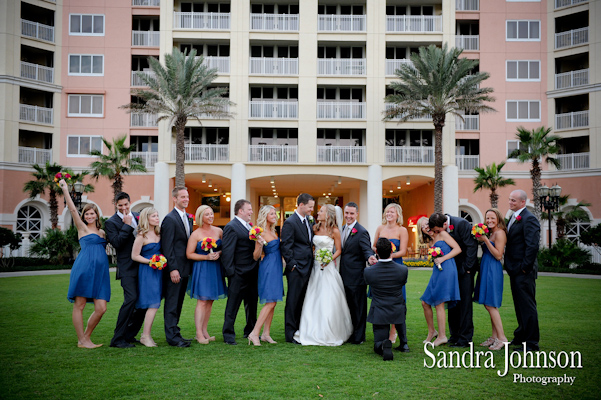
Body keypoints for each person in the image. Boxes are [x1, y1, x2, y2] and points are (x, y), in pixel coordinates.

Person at [293, 204, 353, 346]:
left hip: (328, 267)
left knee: (328, 298)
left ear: (328, 215)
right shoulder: (315, 228)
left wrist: (328, 259)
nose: (317, 213)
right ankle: (311, 328)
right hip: (314, 267)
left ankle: (329, 330)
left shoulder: (335, 231)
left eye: (321, 211)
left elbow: (338, 250)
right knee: (313, 297)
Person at [60, 179, 109, 349]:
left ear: (97, 215)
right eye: (86, 214)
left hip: (101, 272)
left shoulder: (102, 232)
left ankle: (86, 337)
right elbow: (73, 209)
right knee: (79, 305)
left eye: (92, 213)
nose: (89, 216)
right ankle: (81, 340)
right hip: (84, 269)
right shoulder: (82, 228)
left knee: (101, 308)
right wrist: (66, 190)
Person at [428, 212, 478, 348]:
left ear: (445, 224)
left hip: (464, 270)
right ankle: (454, 335)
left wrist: (467, 268)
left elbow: (471, 246)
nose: (437, 233)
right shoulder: (440, 227)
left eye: (438, 230)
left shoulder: (461, 224)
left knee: (465, 303)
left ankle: (465, 338)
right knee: (452, 303)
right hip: (450, 271)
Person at [105, 192, 144, 349]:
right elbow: (117, 244)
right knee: (131, 299)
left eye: (126, 204)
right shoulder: (111, 222)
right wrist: (127, 225)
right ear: (116, 205)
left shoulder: (137, 216)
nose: (124, 207)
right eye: (120, 205)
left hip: (142, 265)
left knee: (142, 302)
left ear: (130, 202)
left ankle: (130, 334)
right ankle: (118, 338)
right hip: (126, 267)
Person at [505, 189, 541, 351]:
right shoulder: (513, 218)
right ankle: (521, 336)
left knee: (527, 306)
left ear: (522, 202)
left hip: (523, 271)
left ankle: (532, 342)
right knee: (519, 306)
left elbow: (532, 246)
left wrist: (524, 268)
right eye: (510, 200)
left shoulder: (529, 219)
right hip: (514, 270)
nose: (510, 202)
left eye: (513, 200)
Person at [186, 205, 226, 345]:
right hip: (202, 268)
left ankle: (205, 331)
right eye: (207, 214)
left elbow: (224, 248)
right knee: (202, 300)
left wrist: (218, 253)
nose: (211, 216)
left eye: (211, 214)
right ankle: (198, 333)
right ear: (200, 216)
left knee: (210, 301)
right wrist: (206, 257)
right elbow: (189, 254)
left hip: (215, 268)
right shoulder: (196, 234)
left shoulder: (219, 231)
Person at [221, 199, 259, 345]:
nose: (251, 212)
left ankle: (250, 330)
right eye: (249, 209)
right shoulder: (231, 226)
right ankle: (228, 334)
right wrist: (232, 273)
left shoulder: (249, 226)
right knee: (233, 305)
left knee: (252, 303)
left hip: (252, 272)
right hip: (238, 273)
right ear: (240, 211)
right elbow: (227, 252)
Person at [372, 203, 409, 351]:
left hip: (395, 266)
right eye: (387, 212)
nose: (389, 214)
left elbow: (404, 251)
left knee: (395, 300)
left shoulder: (402, 230)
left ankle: (393, 331)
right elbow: (373, 246)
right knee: (381, 299)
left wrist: (389, 255)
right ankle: (382, 331)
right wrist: (380, 253)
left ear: (397, 214)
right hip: (380, 265)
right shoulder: (380, 228)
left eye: (392, 212)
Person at [364, 238, 409, 361]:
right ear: (391, 250)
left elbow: (368, 282)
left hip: (379, 311)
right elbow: (402, 283)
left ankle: (383, 344)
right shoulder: (402, 270)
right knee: (400, 312)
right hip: (397, 309)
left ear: (377, 251)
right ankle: (404, 343)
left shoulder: (369, 272)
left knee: (377, 342)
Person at [420, 215, 461, 347]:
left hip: (447, 269)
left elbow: (457, 249)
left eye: (427, 224)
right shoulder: (431, 242)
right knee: (425, 302)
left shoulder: (443, 234)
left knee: (439, 303)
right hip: (437, 271)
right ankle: (432, 331)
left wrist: (443, 259)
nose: (426, 227)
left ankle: (442, 336)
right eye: (423, 227)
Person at [280, 193, 315, 344]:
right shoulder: (290, 222)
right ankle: (290, 334)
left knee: (302, 300)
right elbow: (286, 246)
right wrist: (292, 265)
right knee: (293, 300)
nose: (311, 210)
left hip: (308, 267)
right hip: (296, 269)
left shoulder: (308, 221)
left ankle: (300, 330)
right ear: (301, 205)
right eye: (310, 206)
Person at [161, 187, 193, 348]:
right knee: (172, 302)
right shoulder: (170, 219)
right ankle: (172, 337)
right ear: (174, 199)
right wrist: (172, 268)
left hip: (185, 268)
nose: (186, 199)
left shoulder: (187, 217)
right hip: (175, 269)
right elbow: (167, 247)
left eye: (187, 196)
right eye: (182, 197)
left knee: (179, 302)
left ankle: (175, 331)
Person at [339, 202, 376, 345]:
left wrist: (370, 257)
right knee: (348, 306)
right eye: (347, 213)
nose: (348, 216)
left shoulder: (361, 231)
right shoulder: (341, 229)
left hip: (356, 277)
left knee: (358, 307)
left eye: (351, 213)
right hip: (343, 275)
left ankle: (359, 337)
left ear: (357, 214)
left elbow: (366, 249)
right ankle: (350, 332)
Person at [247, 205, 284, 346]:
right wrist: (260, 244)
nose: (275, 216)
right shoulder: (260, 233)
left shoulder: (274, 232)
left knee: (273, 302)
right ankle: (254, 333)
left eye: (275, 214)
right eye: (272, 214)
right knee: (270, 302)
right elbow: (255, 257)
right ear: (265, 216)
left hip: (276, 267)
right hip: (268, 267)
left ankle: (266, 334)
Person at [473, 208, 508, 351]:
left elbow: (499, 255)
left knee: (490, 304)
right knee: (489, 303)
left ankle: (502, 338)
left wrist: (486, 240)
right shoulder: (490, 232)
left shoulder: (499, 233)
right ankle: (494, 337)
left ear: (498, 218)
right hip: (485, 266)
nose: (489, 221)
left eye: (492, 218)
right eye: (487, 218)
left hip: (493, 268)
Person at [131, 207, 162, 347]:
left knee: (155, 302)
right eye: (154, 216)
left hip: (158, 271)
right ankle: (145, 336)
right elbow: (135, 256)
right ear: (146, 218)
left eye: (157, 216)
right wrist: (150, 261)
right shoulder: (141, 236)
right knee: (153, 303)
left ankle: (145, 334)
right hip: (147, 271)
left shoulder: (158, 233)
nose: (157, 218)